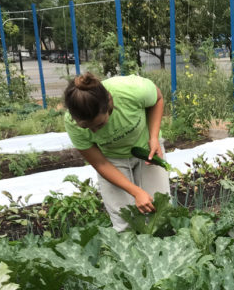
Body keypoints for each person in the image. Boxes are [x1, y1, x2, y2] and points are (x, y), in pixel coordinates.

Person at [63, 72, 170, 231]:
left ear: (109, 104)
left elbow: (158, 99)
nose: (93, 131)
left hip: (147, 150)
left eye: (99, 125)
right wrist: (136, 192)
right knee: (123, 220)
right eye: (86, 127)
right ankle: (128, 254)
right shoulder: (71, 123)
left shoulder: (132, 90)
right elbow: (100, 163)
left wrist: (154, 137)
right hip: (111, 160)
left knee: (160, 212)